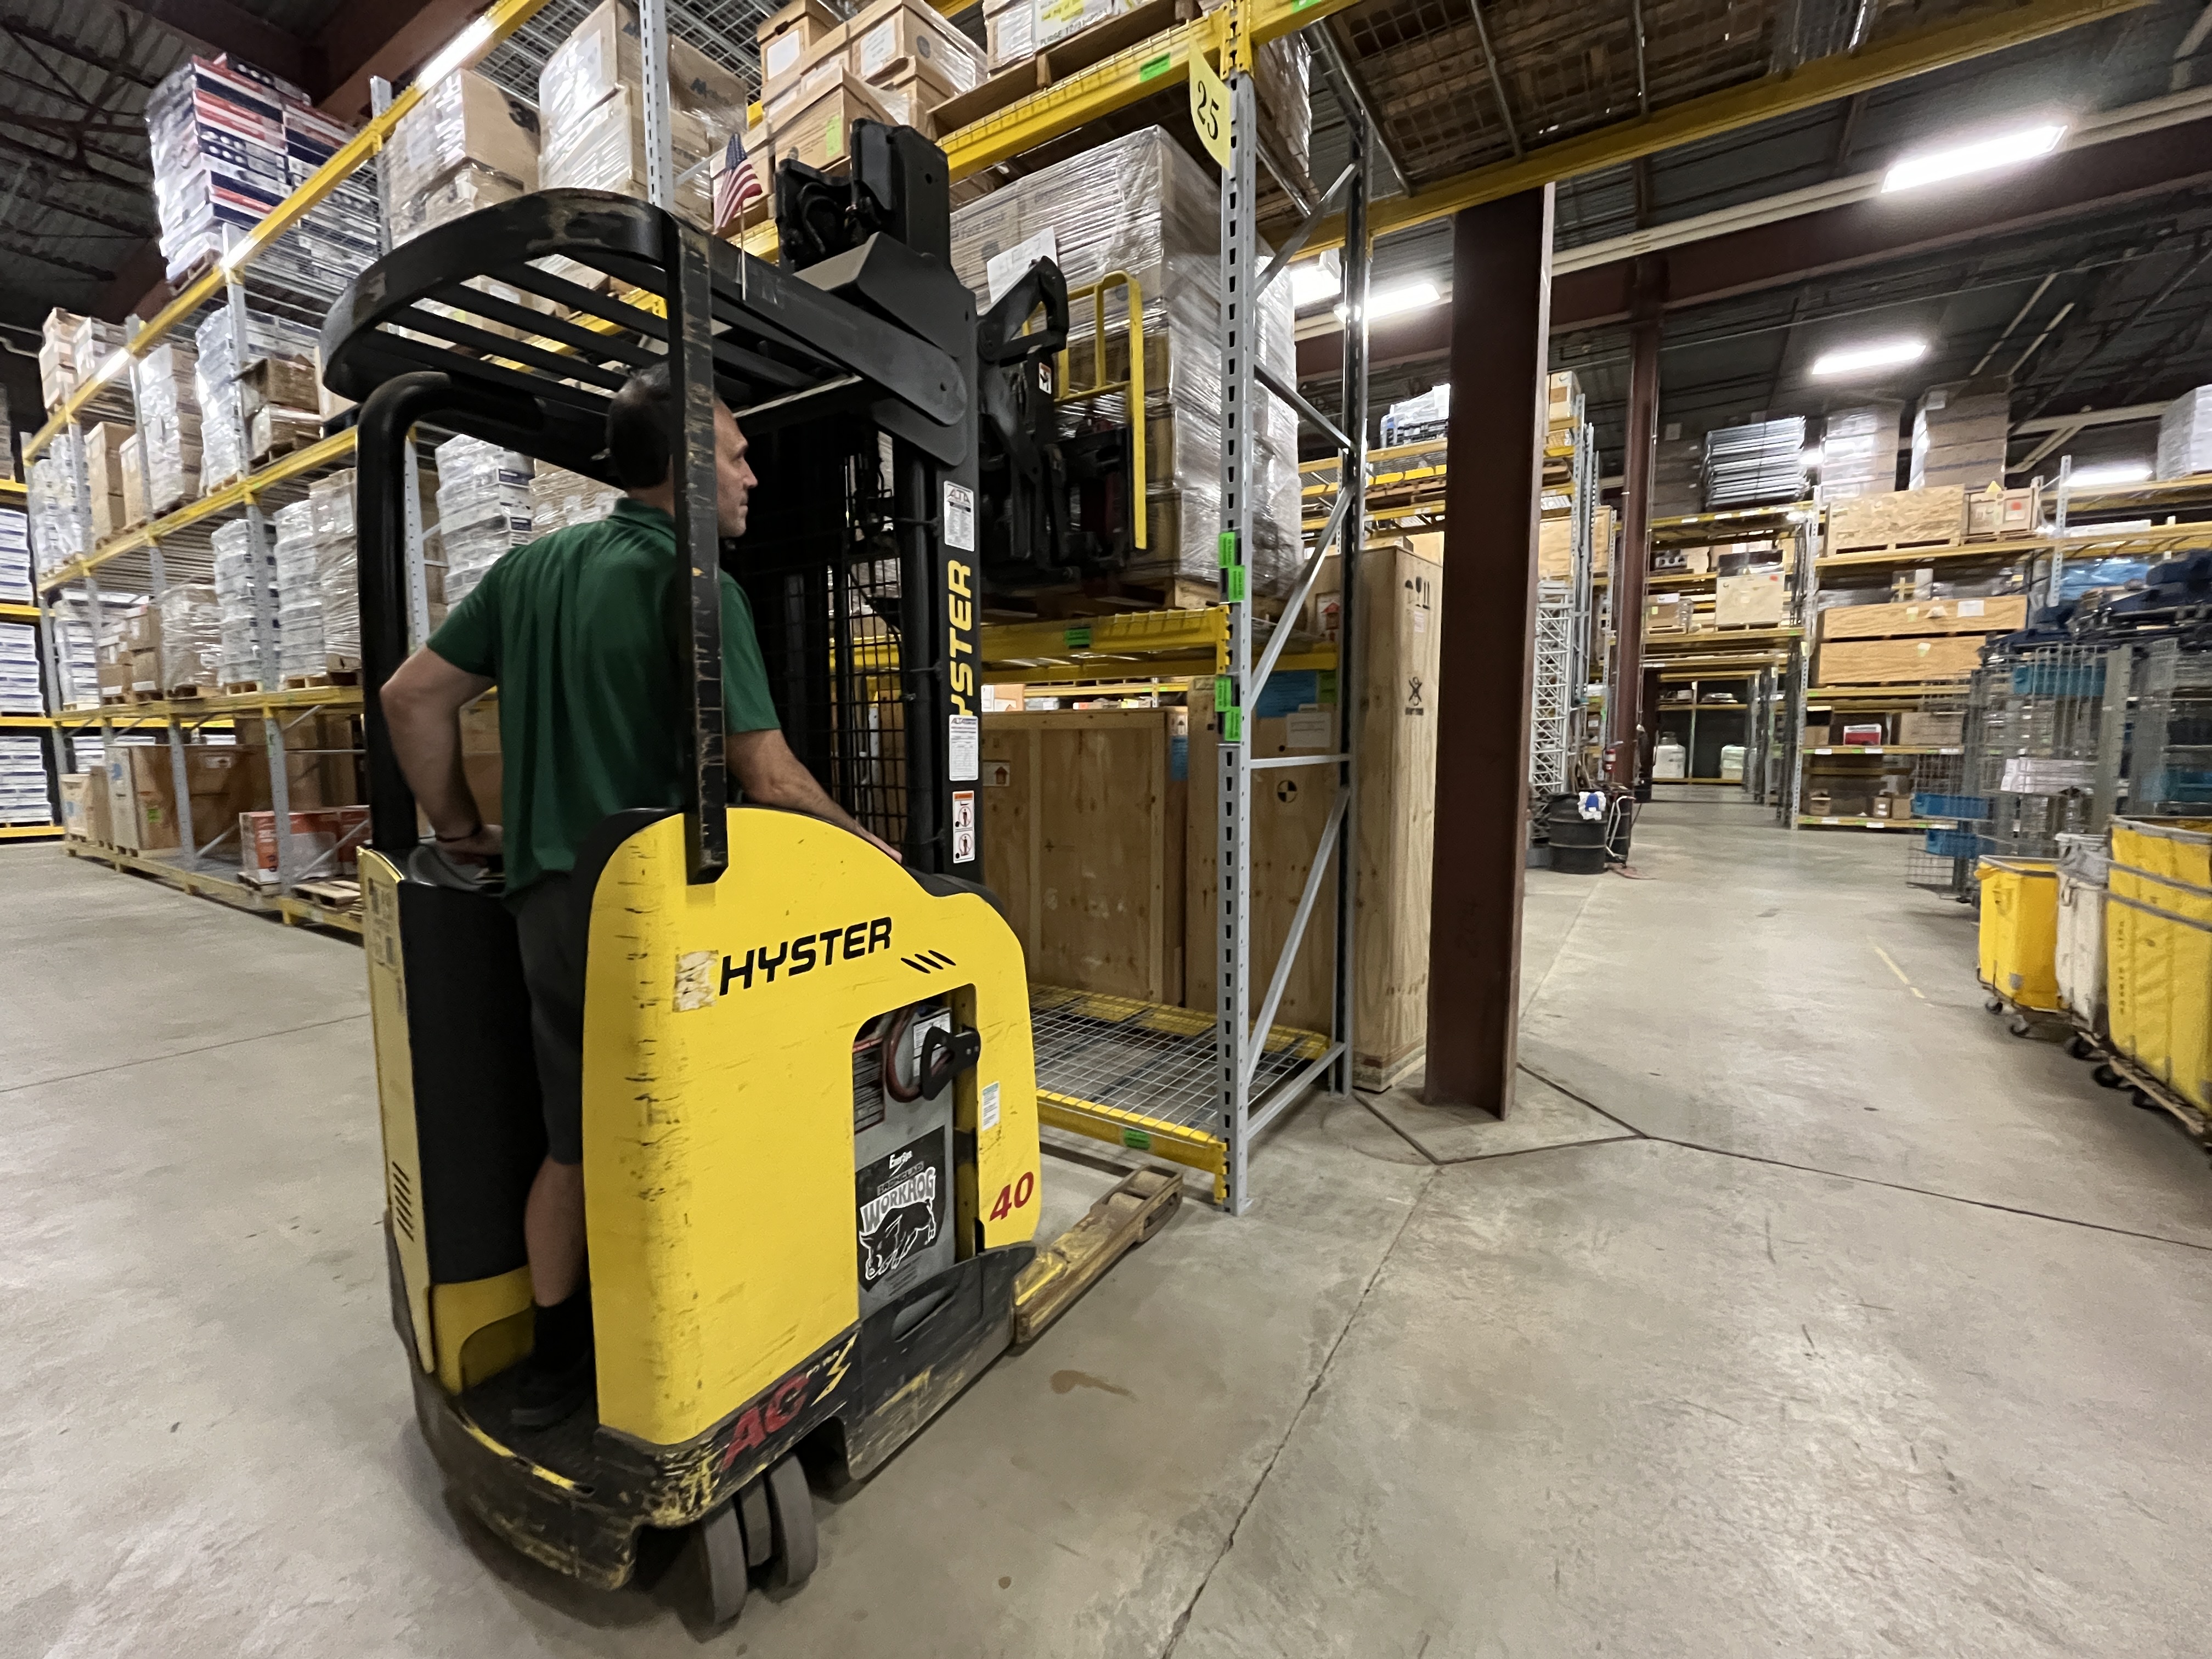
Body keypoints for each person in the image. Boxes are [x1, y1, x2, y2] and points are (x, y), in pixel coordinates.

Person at [381, 364, 896, 1427]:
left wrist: (459, 829)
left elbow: (411, 697)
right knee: (704, 1122)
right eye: (737, 455)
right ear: (688, 465)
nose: (753, 475)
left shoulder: (528, 572)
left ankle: (558, 1357)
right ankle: (705, 1339)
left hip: (548, 903)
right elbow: (769, 777)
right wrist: (880, 866)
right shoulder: (698, 586)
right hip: (660, 915)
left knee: (574, 1140)